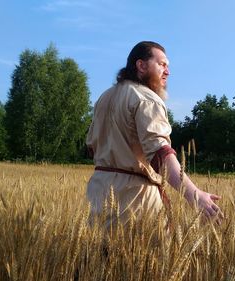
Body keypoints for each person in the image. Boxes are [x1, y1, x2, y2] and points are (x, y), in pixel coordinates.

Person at [86, 41, 222, 227]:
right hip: (135, 202)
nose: (167, 72)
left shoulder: (104, 98)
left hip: (98, 197)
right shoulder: (147, 99)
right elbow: (160, 153)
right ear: (141, 65)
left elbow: (92, 148)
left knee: (102, 255)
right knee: (141, 256)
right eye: (162, 64)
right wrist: (194, 195)